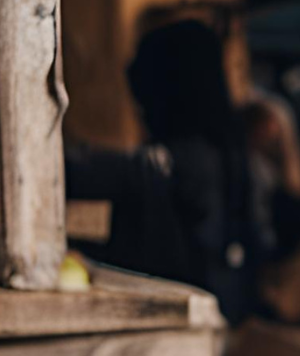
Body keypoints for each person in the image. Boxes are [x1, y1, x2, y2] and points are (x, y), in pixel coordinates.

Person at [66, 19, 265, 323]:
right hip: (222, 321)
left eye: (143, 102)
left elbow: (77, 173)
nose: (140, 114)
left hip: (181, 327)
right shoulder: (234, 156)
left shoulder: (174, 161)